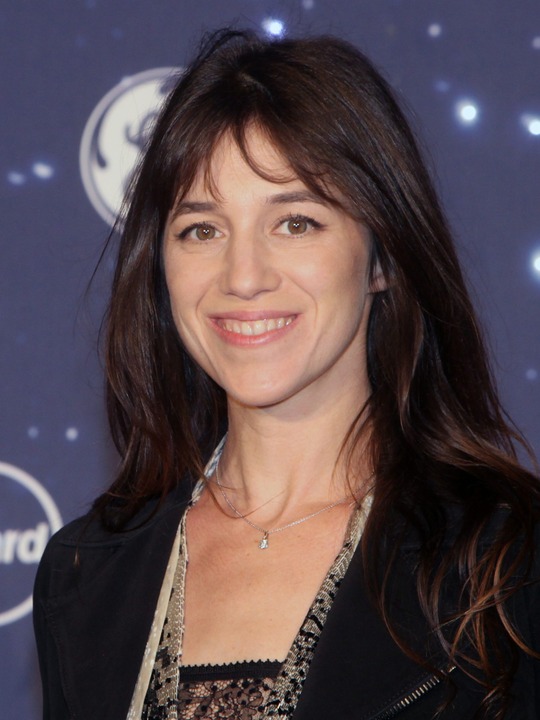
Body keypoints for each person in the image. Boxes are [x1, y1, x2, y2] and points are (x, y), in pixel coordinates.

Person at [33, 29, 540, 720]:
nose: (243, 277)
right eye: (202, 229)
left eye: (296, 223)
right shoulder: (84, 574)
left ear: (383, 258)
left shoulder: (505, 562)